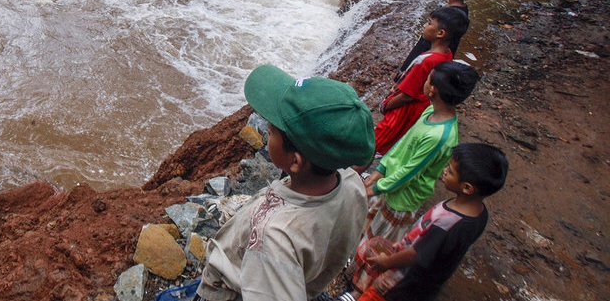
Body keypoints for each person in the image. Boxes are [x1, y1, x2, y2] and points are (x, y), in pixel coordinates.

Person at [196, 64, 375, 301]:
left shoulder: (275, 237)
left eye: (271, 131)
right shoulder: (352, 183)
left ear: (295, 161)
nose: (267, 130)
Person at [348, 143, 508, 301]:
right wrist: (405, 244)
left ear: (467, 188)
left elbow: (416, 255)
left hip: (401, 283)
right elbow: (432, 247)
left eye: (450, 171)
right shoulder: (479, 213)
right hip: (425, 283)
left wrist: (387, 262)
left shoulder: (447, 223)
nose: (444, 171)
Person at [359, 62, 480, 252]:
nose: (424, 81)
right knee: (367, 227)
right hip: (390, 181)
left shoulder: (440, 136)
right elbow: (404, 142)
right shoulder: (431, 111)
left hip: (402, 197)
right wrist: (381, 169)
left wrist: (376, 187)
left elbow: (411, 172)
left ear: (432, 90)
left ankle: (363, 277)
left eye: (427, 78)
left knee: (378, 244)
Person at [373, 7, 468, 157]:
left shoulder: (425, 61)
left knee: (375, 144)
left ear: (440, 33)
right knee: (393, 143)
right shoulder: (446, 54)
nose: (424, 26)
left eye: (429, 23)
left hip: (403, 110)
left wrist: (386, 105)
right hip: (419, 108)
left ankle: (361, 174)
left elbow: (407, 95)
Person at [395, 0, 487, 77]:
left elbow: (426, 45)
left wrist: (406, 70)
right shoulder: (460, 11)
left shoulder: (449, 17)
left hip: (425, 66)